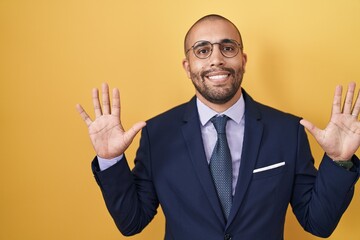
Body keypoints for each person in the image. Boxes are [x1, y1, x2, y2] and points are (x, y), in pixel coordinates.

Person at [76, 14, 360, 240]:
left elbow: (318, 223)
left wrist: (339, 161)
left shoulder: (287, 131)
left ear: (243, 60)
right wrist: (110, 160)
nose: (216, 59)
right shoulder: (157, 134)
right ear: (187, 66)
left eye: (228, 47)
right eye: (203, 50)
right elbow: (131, 222)